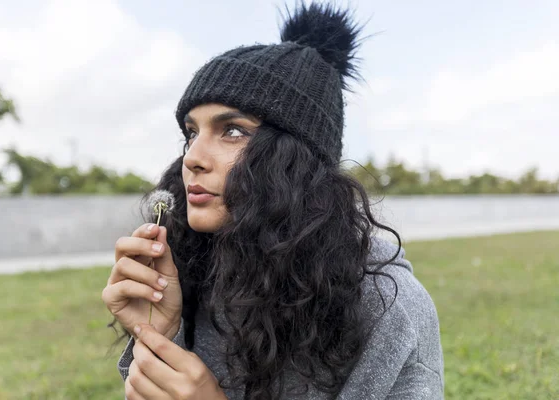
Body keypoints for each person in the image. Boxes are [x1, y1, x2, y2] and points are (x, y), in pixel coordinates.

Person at [101, 3, 444, 399]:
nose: (192, 157)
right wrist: (159, 333)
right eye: (190, 132)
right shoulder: (195, 273)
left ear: (295, 159)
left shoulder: (388, 307)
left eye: (232, 130)